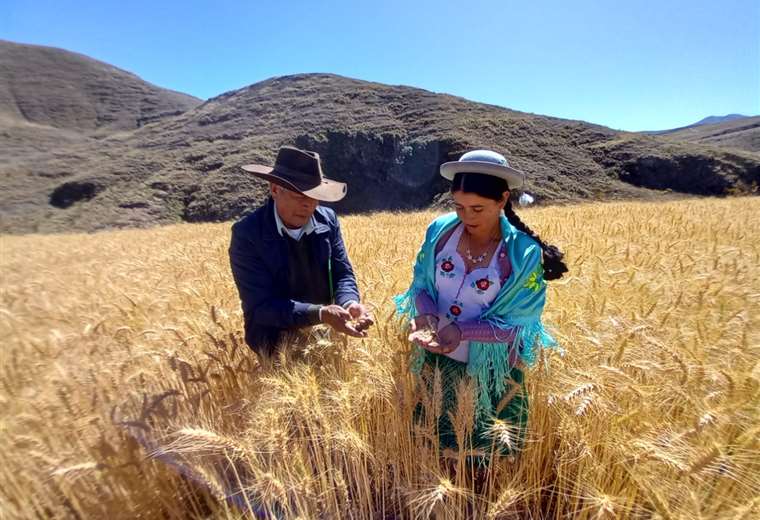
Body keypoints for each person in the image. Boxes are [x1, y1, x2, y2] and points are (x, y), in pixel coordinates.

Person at [395, 149, 568, 458]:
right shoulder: (440, 232)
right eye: (459, 206)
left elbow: (519, 325)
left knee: (488, 457)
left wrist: (461, 332)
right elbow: (421, 283)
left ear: (502, 200)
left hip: (491, 372)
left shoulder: (523, 254)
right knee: (435, 447)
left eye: (478, 208)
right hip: (437, 362)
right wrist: (428, 316)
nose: (467, 217)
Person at [229, 146, 373, 358]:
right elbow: (260, 306)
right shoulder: (247, 234)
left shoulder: (328, 220)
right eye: (299, 195)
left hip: (324, 336)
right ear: (275, 189)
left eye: (314, 196)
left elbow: (342, 272)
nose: (308, 205)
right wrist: (320, 313)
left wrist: (349, 303)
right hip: (274, 344)